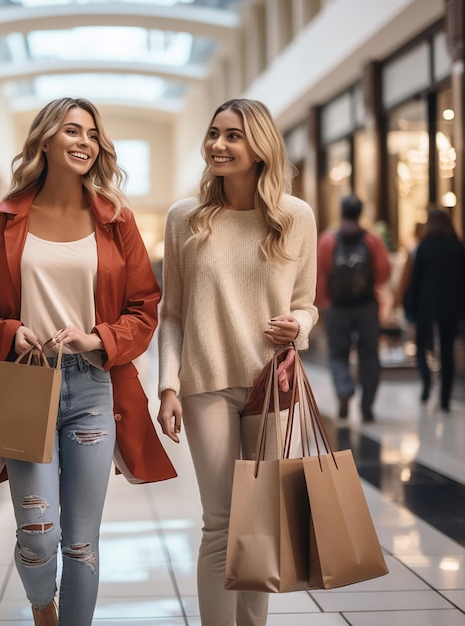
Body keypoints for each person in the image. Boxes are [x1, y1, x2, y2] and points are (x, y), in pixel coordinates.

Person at [0, 97, 176, 626]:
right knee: (38, 533)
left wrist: (98, 338)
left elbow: (145, 309)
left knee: (81, 543)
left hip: (93, 388)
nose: (84, 143)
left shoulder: (117, 221)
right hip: (25, 385)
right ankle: (43, 608)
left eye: (92, 134)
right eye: (72, 131)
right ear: (45, 139)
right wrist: (10, 332)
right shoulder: (3, 220)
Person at [157, 98, 318, 626]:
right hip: (206, 384)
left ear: (260, 147)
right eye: (213, 134)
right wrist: (168, 386)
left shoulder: (295, 217)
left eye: (232, 137)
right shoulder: (185, 219)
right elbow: (172, 312)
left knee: (261, 520)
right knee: (222, 523)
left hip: (272, 384)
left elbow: (306, 302)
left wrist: (301, 325)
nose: (218, 146)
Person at [315, 194, 391, 422]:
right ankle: (367, 405)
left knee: (338, 353)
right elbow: (384, 271)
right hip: (366, 306)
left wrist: (322, 303)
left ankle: (344, 390)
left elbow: (320, 275)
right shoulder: (371, 240)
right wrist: (371, 286)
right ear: (360, 213)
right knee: (369, 354)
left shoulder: (328, 240)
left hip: (338, 308)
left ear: (341, 212)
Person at [408, 208, 465, 411]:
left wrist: (411, 307)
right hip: (450, 308)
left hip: (426, 306)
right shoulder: (457, 247)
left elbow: (415, 280)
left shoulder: (425, 246)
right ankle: (445, 398)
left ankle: (426, 382)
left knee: (422, 346)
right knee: (447, 353)